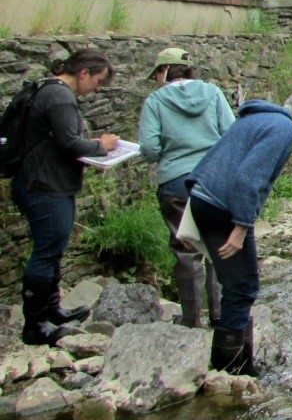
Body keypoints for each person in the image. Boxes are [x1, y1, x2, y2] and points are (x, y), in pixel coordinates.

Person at [187, 87, 292, 376]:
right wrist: (241, 227)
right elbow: (248, 177)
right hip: (222, 207)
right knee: (243, 287)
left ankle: (233, 366)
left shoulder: (259, 117)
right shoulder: (284, 129)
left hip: (203, 198)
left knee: (234, 284)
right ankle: (232, 371)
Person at [11, 49, 120, 345]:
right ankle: (35, 324)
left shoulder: (49, 90)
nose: (97, 89)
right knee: (47, 251)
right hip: (45, 186)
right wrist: (102, 145)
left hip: (43, 182)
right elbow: (70, 143)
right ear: (83, 73)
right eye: (97, 81)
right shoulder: (59, 98)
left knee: (54, 249)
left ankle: (52, 310)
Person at [138, 48, 235, 329]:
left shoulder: (155, 101)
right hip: (214, 180)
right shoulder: (213, 92)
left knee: (186, 249)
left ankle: (192, 320)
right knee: (217, 246)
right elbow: (230, 133)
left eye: (156, 74)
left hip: (176, 183)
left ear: (163, 71)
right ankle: (220, 316)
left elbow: (149, 149)